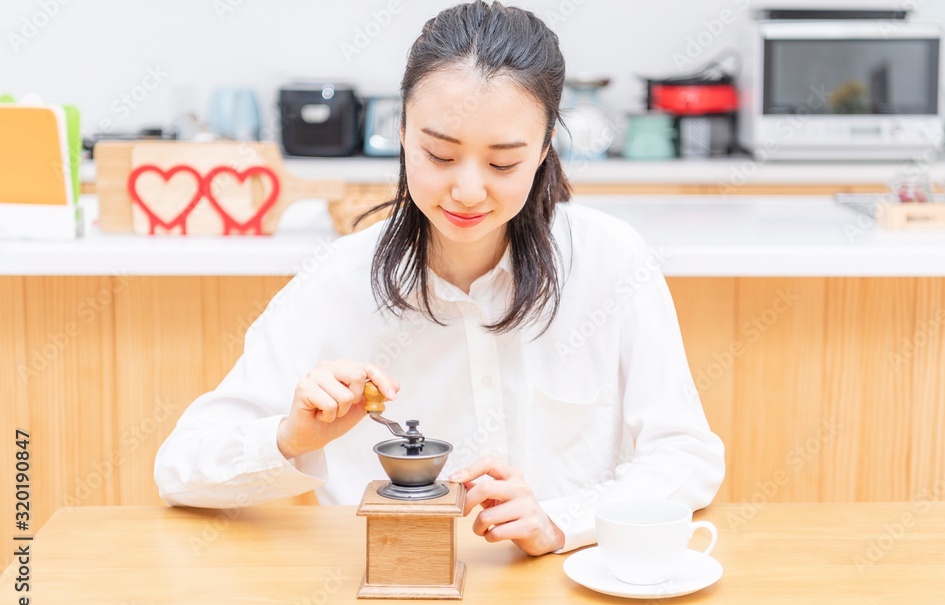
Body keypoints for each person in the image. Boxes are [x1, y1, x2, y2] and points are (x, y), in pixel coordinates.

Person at [154, 0, 724, 556]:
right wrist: (291, 438)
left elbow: (686, 456)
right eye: (440, 155)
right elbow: (181, 469)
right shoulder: (337, 282)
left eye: (503, 163)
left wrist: (561, 521)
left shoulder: (610, 262)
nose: (469, 191)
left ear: (546, 148)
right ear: (402, 132)